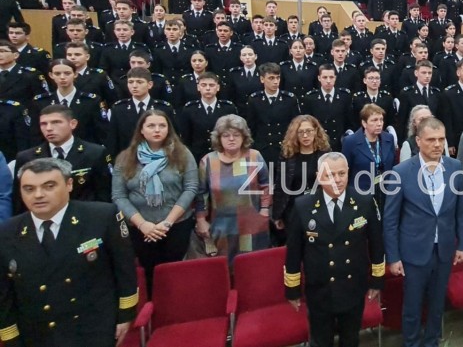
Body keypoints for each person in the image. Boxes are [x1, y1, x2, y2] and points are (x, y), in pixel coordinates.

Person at [0, 158, 138, 347]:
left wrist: (125, 315)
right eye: (29, 189)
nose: (38, 195)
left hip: (92, 328)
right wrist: (10, 336)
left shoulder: (101, 217)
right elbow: (4, 292)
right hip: (37, 333)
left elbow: (125, 271)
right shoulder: (7, 232)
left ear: (69, 184)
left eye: (49, 186)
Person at [284, 152, 385, 347]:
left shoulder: (363, 201)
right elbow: (294, 252)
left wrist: (377, 280)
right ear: (319, 176)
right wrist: (293, 290)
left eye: (341, 174)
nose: (337, 180)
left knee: (351, 339)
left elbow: (376, 243)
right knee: (321, 341)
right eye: (330, 175)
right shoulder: (303, 206)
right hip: (320, 290)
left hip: (352, 287)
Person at [384, 118, 463, 347]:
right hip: (413, 252)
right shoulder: (400, 172)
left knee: (437, 304)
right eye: (431, 139)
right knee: (412, 306)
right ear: (418, 141)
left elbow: (460, 211)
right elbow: (390, 220)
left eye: (441, 139)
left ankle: (432, 342)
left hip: (444, 250)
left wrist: (462, 245)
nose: (437, 144)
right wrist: (393, 257)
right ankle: (411, 344)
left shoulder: (455, 167)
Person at [111, 109, 198, 292]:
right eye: (151, 125)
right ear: (141, 130)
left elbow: (190, 188)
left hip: (176, 225)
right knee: (149, 275)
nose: (156, 130)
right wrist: (143, 225)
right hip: (140, 228)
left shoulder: (182, 154)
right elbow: (119, 196)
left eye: (162, 125)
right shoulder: (125, 158)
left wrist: (167, 222)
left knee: (174, 273)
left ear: (169, 129)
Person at [194, 115, 270, 264]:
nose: (231, 139)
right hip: (221, 226)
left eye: (236, 135)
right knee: (224, 269)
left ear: (244, 137)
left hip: (252, 224)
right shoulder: (208, 160)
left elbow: (265, 185)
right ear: (219, 138)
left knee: (252, 267)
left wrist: (265, 210)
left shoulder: (255, 156)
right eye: (226, 135)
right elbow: (200, 193)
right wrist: (201, 219)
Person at [13, 104, 112, 214]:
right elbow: (19, 202)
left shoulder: (94, 153)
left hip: (84, 218)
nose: (49, 128)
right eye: (43, 124)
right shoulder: (27, 157)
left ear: (73, 124)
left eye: (56, 122)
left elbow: (104, 195)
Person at [271, 115, 330, 246]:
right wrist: (277, 215)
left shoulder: (325, 154)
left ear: (316, 131)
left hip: (320, 210)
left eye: (309, 131)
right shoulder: (287, 155)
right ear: (295, 135)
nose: (305, 136)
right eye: (301, 132)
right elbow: (280, 186)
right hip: (294, 211)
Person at [342, 104, 396, 211]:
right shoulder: (350, 142)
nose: (379, 124)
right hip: (361, 194)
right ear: (364, 123)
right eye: (374, 120)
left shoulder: (388, 138)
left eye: (381, 120)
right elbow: (346, 170)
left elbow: (393, 166)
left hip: (386, 194)